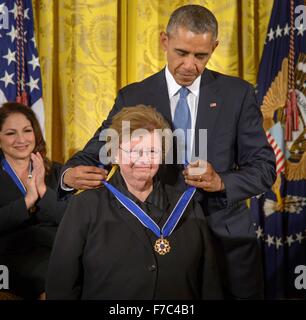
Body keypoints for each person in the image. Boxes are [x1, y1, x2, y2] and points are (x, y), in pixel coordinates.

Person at [59, 5, 276, 299]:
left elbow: (264, 169)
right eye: (181, 52)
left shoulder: (237, 94)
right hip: (157, 238)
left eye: (201, 56)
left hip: (225, 238)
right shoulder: (134, 95)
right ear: (164, 41)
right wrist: (69, 175)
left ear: (214, 47)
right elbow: (95, 154)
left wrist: (221, 182)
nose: (189, 65)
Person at [47, 106, 222, 299]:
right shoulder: (85, 206)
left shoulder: (187, 206)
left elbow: (209, 284)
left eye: (152, 151)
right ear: (113, 155)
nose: (144, 159)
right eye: (133, 150)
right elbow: (60, 286)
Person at [0, 102, 67, 299]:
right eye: (11, 133)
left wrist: (43, 191)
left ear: (35, 134)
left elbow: (70, 218)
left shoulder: (57, 171)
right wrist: (28, 200)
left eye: (27, 131)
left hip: (58, 248)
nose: (21, 139)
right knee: (55, 278)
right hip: (13, 252)